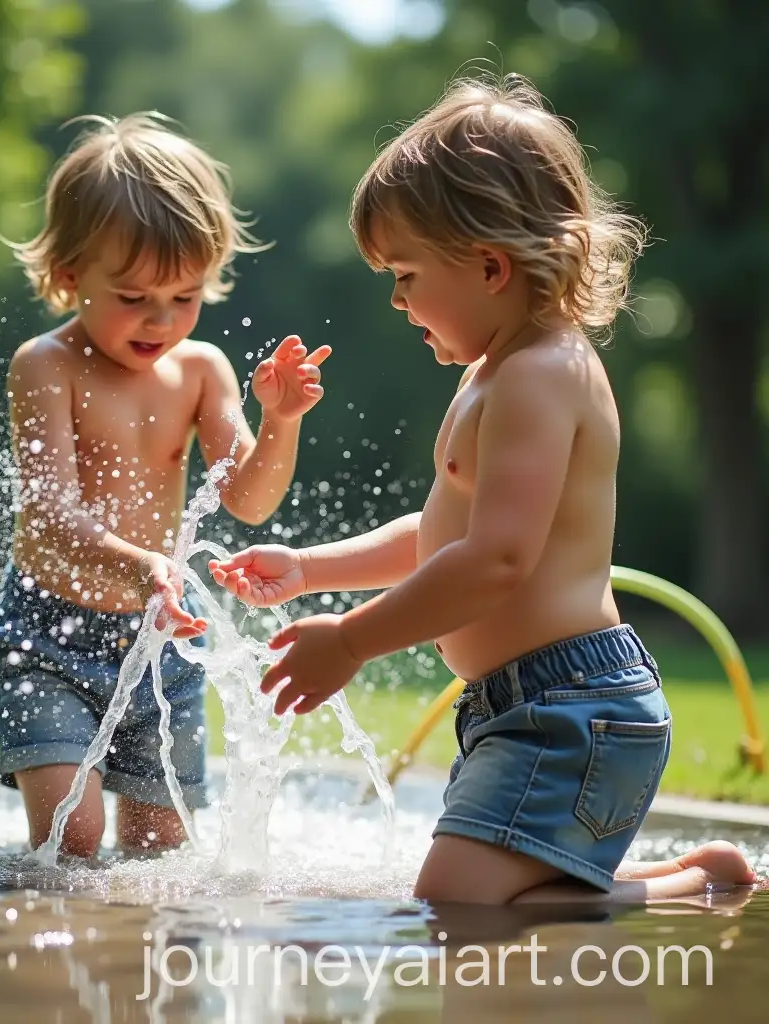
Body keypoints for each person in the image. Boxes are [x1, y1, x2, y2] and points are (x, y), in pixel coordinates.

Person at [210, 75, 757, 904]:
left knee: (458, 907)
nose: (395, 300)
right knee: (479, 899)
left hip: (573, 708)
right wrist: (312, 567)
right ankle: (685, 875)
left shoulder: (541, 377)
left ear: (491, 267)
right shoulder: (490, 373)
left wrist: (353, 641)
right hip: (526, 706)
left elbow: (497, 559)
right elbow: (448, 531)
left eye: (405, 274)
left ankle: (681, 890)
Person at [0, 112, 330, 859]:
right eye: (135, 296)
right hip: (44, 635)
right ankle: (47, 961)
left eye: (185, 296)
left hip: (160, 638)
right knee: (74, 834)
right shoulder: (46, 365)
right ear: (70, 275)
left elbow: (248, 499)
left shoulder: (201, 371)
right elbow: (51, 517)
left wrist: (282, 422)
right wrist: (147, 566)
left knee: (160, 846)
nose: (162, 320)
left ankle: (147, 973)